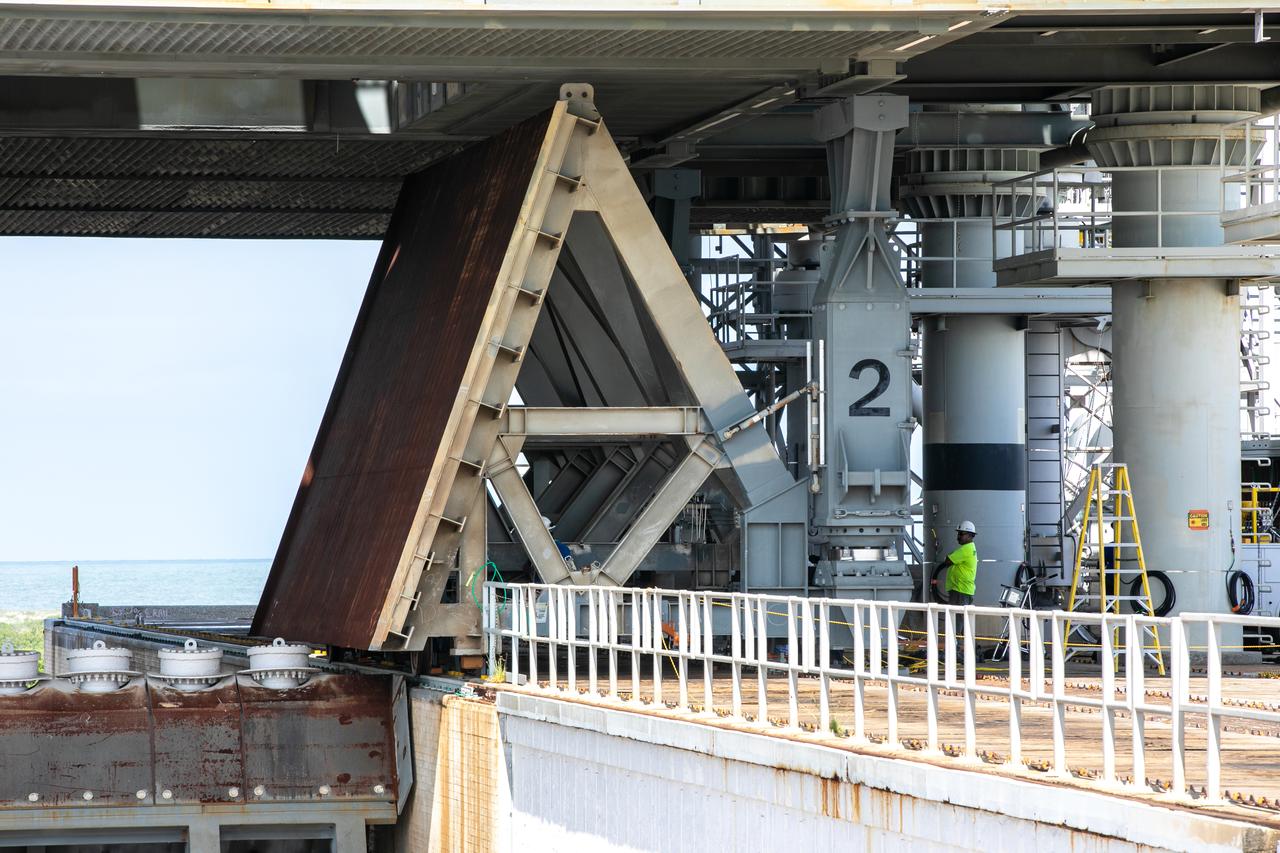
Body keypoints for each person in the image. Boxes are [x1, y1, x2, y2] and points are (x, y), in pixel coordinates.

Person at [939, 520, 978, 606]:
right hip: (962, 590)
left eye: (961, 534)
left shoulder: (965, 549)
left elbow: (947, 561)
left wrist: (948, 556)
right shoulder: (969, 548)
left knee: (958, 618)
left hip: (960, 590)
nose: (958, 537)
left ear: (970, 535)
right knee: (958, 617)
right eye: (958, 534)